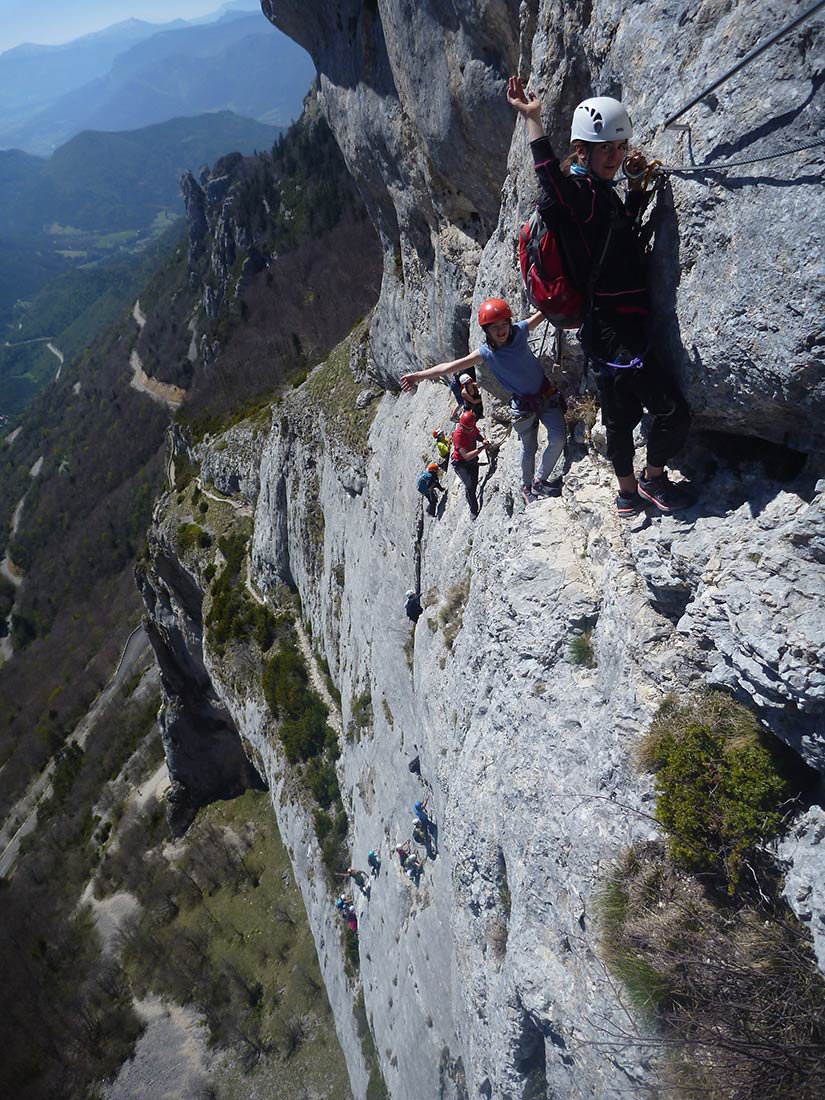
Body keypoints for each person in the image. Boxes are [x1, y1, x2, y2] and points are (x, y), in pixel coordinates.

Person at [507, 76, 693, 516]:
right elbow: (552, 186)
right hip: (612, 328)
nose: (615, 156)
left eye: (619, 147)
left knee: (619, 415)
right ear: (582, 149)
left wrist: (635, 194)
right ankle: (652, 481)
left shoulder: (598, 197)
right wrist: (534, 122)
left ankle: (627, 495)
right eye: (605, 148)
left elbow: (612, 238)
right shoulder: (580, 194)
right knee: (671, 412)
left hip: (605, 325)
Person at [401, 302, 566, 505]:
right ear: (486, 330)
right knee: (529, 447)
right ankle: (527, 486)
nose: (501, 330)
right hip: (523, 406)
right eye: (494, 327)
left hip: (545, 395)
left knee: (558, 438)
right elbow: (448, 367)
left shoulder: (520, 331)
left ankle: (539, 480)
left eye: (503, 324)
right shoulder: (485, 353)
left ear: (509, 322)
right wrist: (418, 376)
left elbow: (544, 313)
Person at [449, 409, 491, 518]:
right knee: (470, 486)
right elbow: (466, 456)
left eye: (469, 428)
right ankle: (473, 510)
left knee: (475, 482)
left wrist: (483, 440)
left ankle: (470, 495)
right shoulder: (458, 436)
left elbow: (477, 435)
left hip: (472, 459)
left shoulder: (471, 427)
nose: (467, 430)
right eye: (465, 428)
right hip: (461, 463)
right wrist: (482, 448)